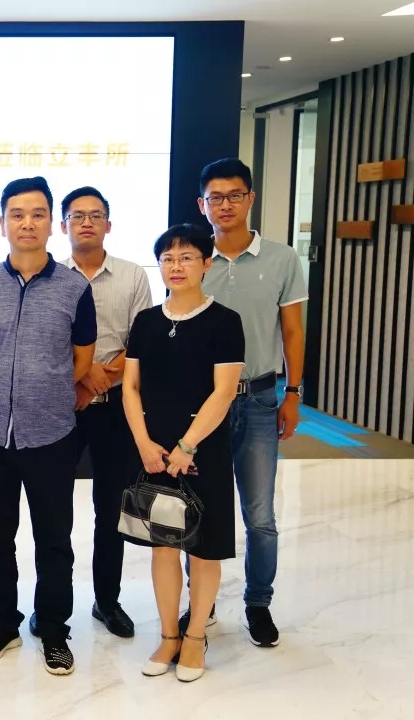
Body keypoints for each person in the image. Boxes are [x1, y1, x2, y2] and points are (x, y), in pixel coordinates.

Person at [0, 177, 97, 675]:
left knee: (54, 540)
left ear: (52, 224)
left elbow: (81, 360)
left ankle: (54, 629)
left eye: (38, 214)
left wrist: (45, 387)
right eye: (17, 214)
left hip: (52, 435)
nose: (27, 223)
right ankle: (3, 624)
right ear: (2, 223)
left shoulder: (74, 288)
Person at [188, 158, 307, 647]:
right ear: (202, 205)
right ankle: (202, 602)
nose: (225, 205)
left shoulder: (282, 259)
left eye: (234, 195)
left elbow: (292, 331)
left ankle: (258, 604)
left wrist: (292, 393)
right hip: (203, 404)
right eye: (215, 197)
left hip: (258, 398)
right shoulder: (194, 259)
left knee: (260, 516)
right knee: (199, 507)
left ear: (250, 199)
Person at [122, 223, 244, 683]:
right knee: (163, 546)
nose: (176, 266)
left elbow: (223, 392)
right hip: (153, 449)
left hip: (203, 448)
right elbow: (130, 387)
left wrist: (186, 447)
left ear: (206, 264)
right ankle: (169, 635)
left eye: (187, 257)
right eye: (168, 259)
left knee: (204, 549)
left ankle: (195, 638)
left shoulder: (225, 321)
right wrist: (144, 443)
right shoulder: (146, 321)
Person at [60, 186, 153, 639]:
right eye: (77, 216)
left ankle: (107, 601)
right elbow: (46, 342)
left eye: (95, 215)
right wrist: (81, 379)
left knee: (110, 508)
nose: (86, 222)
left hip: (115, 406)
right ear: (63, 225)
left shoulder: (133, 275)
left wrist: (99, 377)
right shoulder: (51, 276)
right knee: (54, 510)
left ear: (108, 224)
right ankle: (52, 604)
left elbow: (142, 340)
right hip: (63, 404)